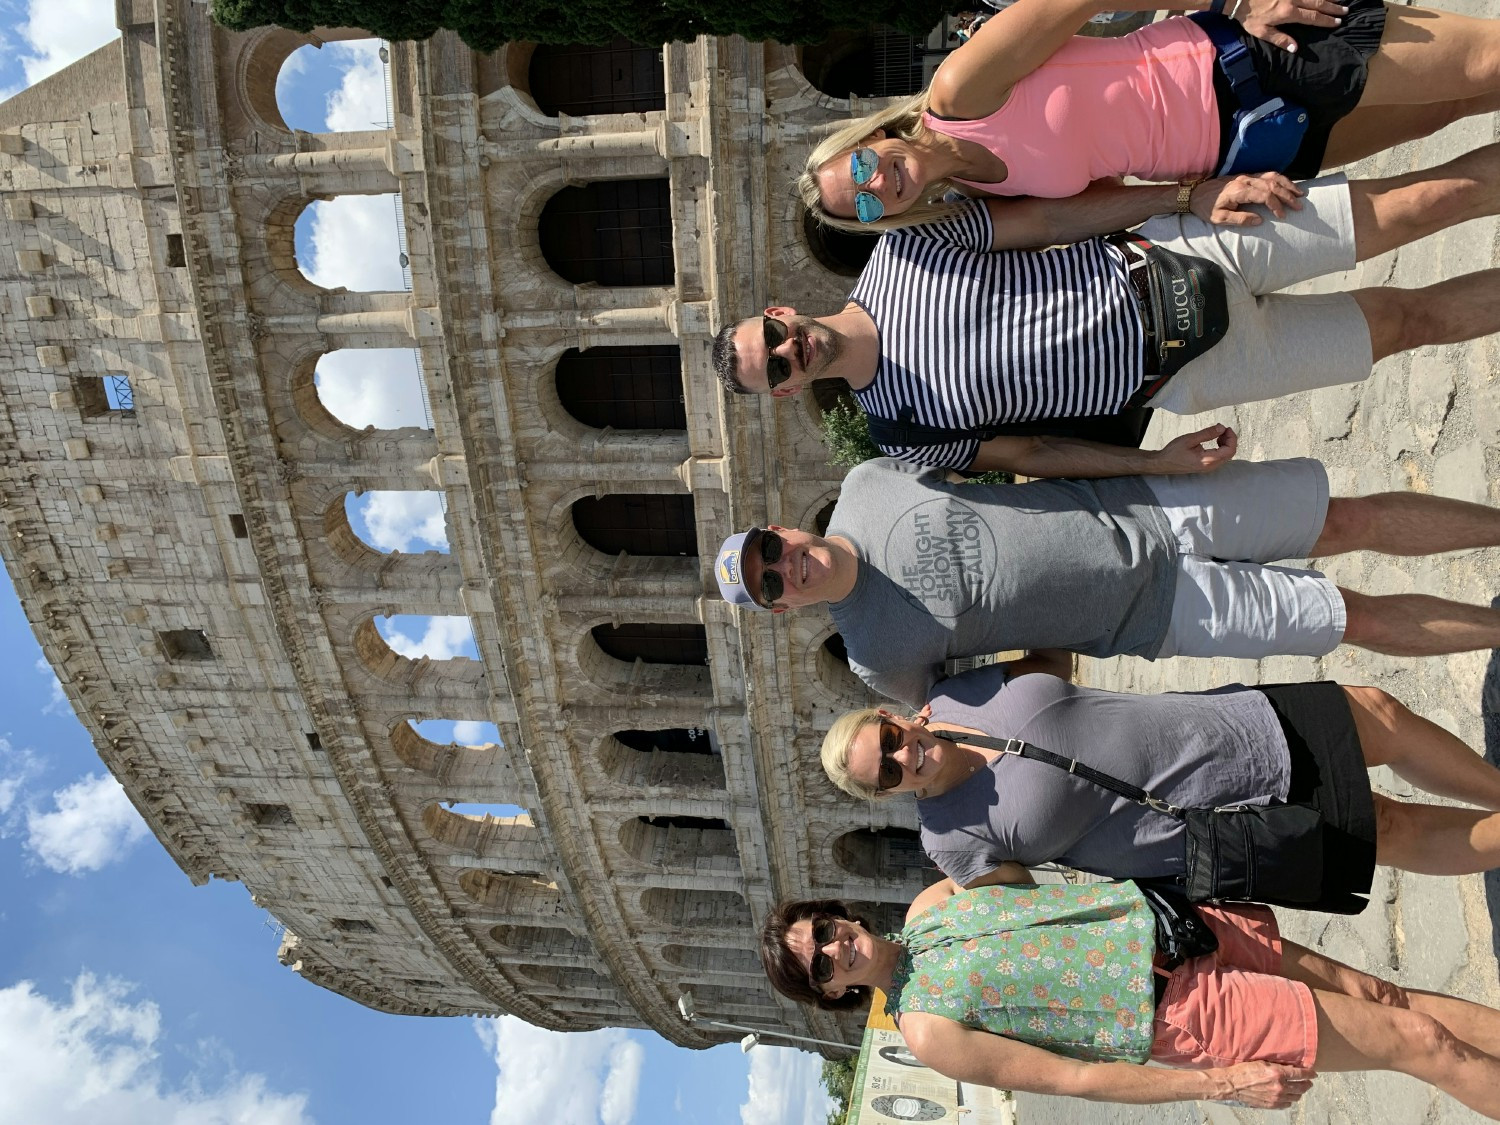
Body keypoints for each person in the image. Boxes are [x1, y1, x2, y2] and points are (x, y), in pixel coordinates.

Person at [714, 144, 1500, 476]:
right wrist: (1152, 462)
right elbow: (1035, 454)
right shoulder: (900, 437)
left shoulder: (905, 252)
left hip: (1179, 255)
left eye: (773, 335)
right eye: (775, 367)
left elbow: (1052, 221)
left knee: (1408, 205)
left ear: (781, 310)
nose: (789, 350)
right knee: (1403, 326)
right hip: (1188, 373)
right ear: (785, 391)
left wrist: (1190, 196)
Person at [714, 456, 1500, 706]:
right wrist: (1060, 653)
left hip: (1149, 502)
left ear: (781, 528)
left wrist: (1153, 460)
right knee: (1343, 614)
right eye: (772, 585)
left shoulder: (868, 481)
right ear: (782, 609)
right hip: (1154, 617)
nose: (786, 568)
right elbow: (982, 703)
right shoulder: (876, 656)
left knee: (1345, 518)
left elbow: (1011, 451)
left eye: (770, 552)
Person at [761, 879, 1500, 1115]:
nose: (832, 945)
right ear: (833, 991)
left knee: (1386, 996)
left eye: (822, 928)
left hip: (1181, 930)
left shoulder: (933, 901)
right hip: (1178, 1012)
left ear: (838, 914)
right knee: (1419, 1045)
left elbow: (1037, 882)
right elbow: (1073, 1078)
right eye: (819, 962)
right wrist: (1222, 1080)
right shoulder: (926, 1029)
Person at [819, 658, 1500, 910]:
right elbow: (1029, 909)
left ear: (892, 717)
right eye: (884, 774)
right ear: (886, 796)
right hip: (1210, 827)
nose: (901, 758)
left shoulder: (957, 695)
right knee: (1386, 825)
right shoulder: (951, 840)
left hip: (1216, 724)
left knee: (1375, 711)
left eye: (888, 741)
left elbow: (1052, 660)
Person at [804, 0, 1500, 232]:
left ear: (874, 137)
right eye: (863, 206)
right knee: (1446, 110)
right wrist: (1190, 198)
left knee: (1485, 65)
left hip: (1247, 58)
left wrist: (1235, 3)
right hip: (1251, 149)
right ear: (883, 220)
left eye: (860, 165)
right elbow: (1105, 199)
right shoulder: (984, 195)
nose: (876, 184)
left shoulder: (960, 91)